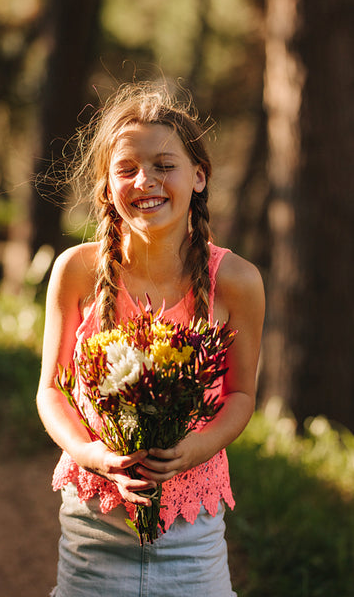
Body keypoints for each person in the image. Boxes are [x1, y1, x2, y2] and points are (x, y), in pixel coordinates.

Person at [36, 80, 265, 597]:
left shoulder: (237, 282)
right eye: (127, 168)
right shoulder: (74, 270)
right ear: (106, 184)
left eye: (165, 165)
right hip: (93, 524)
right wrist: (90, 453)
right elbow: (50, 390)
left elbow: (241, 396)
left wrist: (194, 449)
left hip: (194, 534)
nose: (146, 180)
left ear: (198, 177)